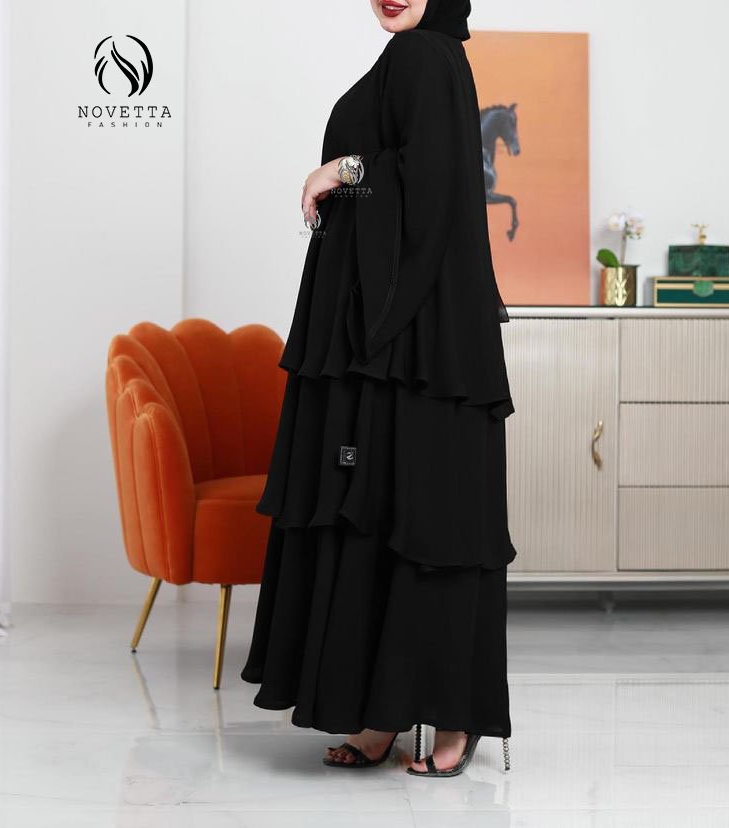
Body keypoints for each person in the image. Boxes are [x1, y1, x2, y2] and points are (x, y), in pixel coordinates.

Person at [240, 0, 517, 778]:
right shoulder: (427, 58)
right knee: (396, 520)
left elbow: (427, 182)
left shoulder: (424, 57)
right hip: (405, 345)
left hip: (412, 348)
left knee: (422, 522)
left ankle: (449, 718)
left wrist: (342, 170)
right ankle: (386, 713)